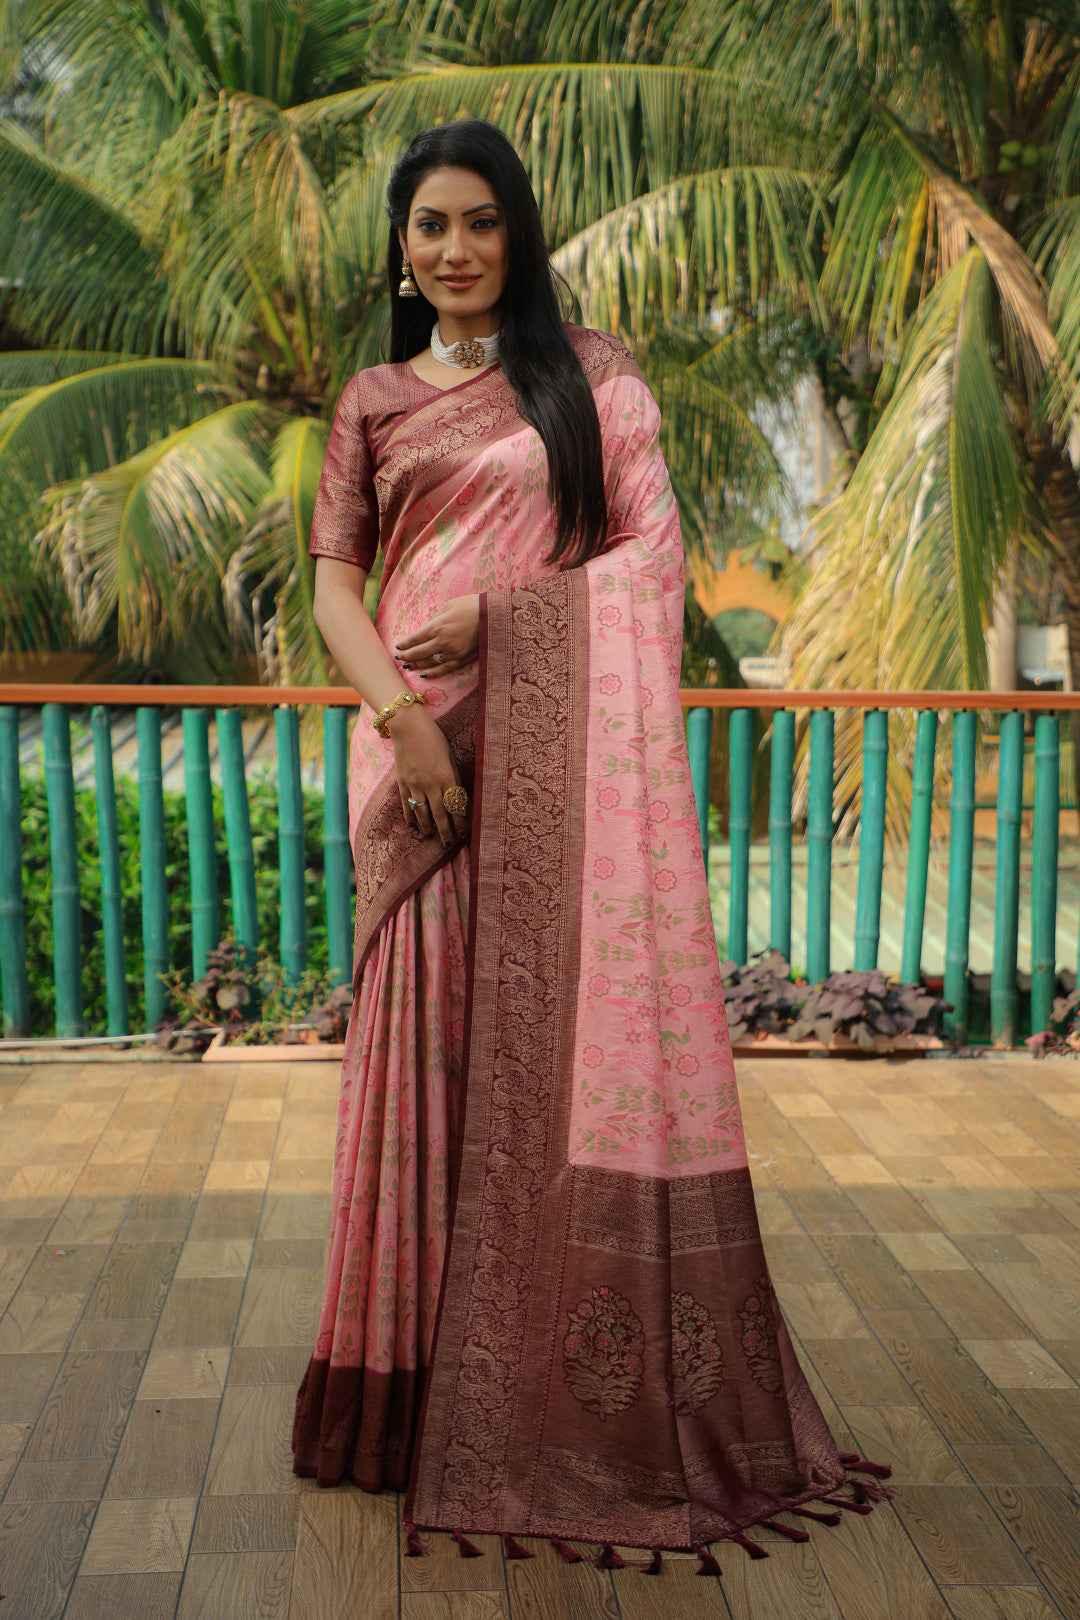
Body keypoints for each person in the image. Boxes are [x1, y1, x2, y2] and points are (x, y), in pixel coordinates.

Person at [291, 117, 892, 1573]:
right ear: (398, 245)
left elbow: (652, 564)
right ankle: (401, 1397)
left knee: (551, 1079)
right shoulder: (372, 400)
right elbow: (333, 589)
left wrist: (503, 626)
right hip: (420, 765)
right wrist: (407, 722)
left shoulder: (595, 378)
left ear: (521, 233)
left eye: (481, 222)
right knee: (420, 1074)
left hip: (566, 775)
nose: (454, 250)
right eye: (429, 225)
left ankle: (547, 1394)